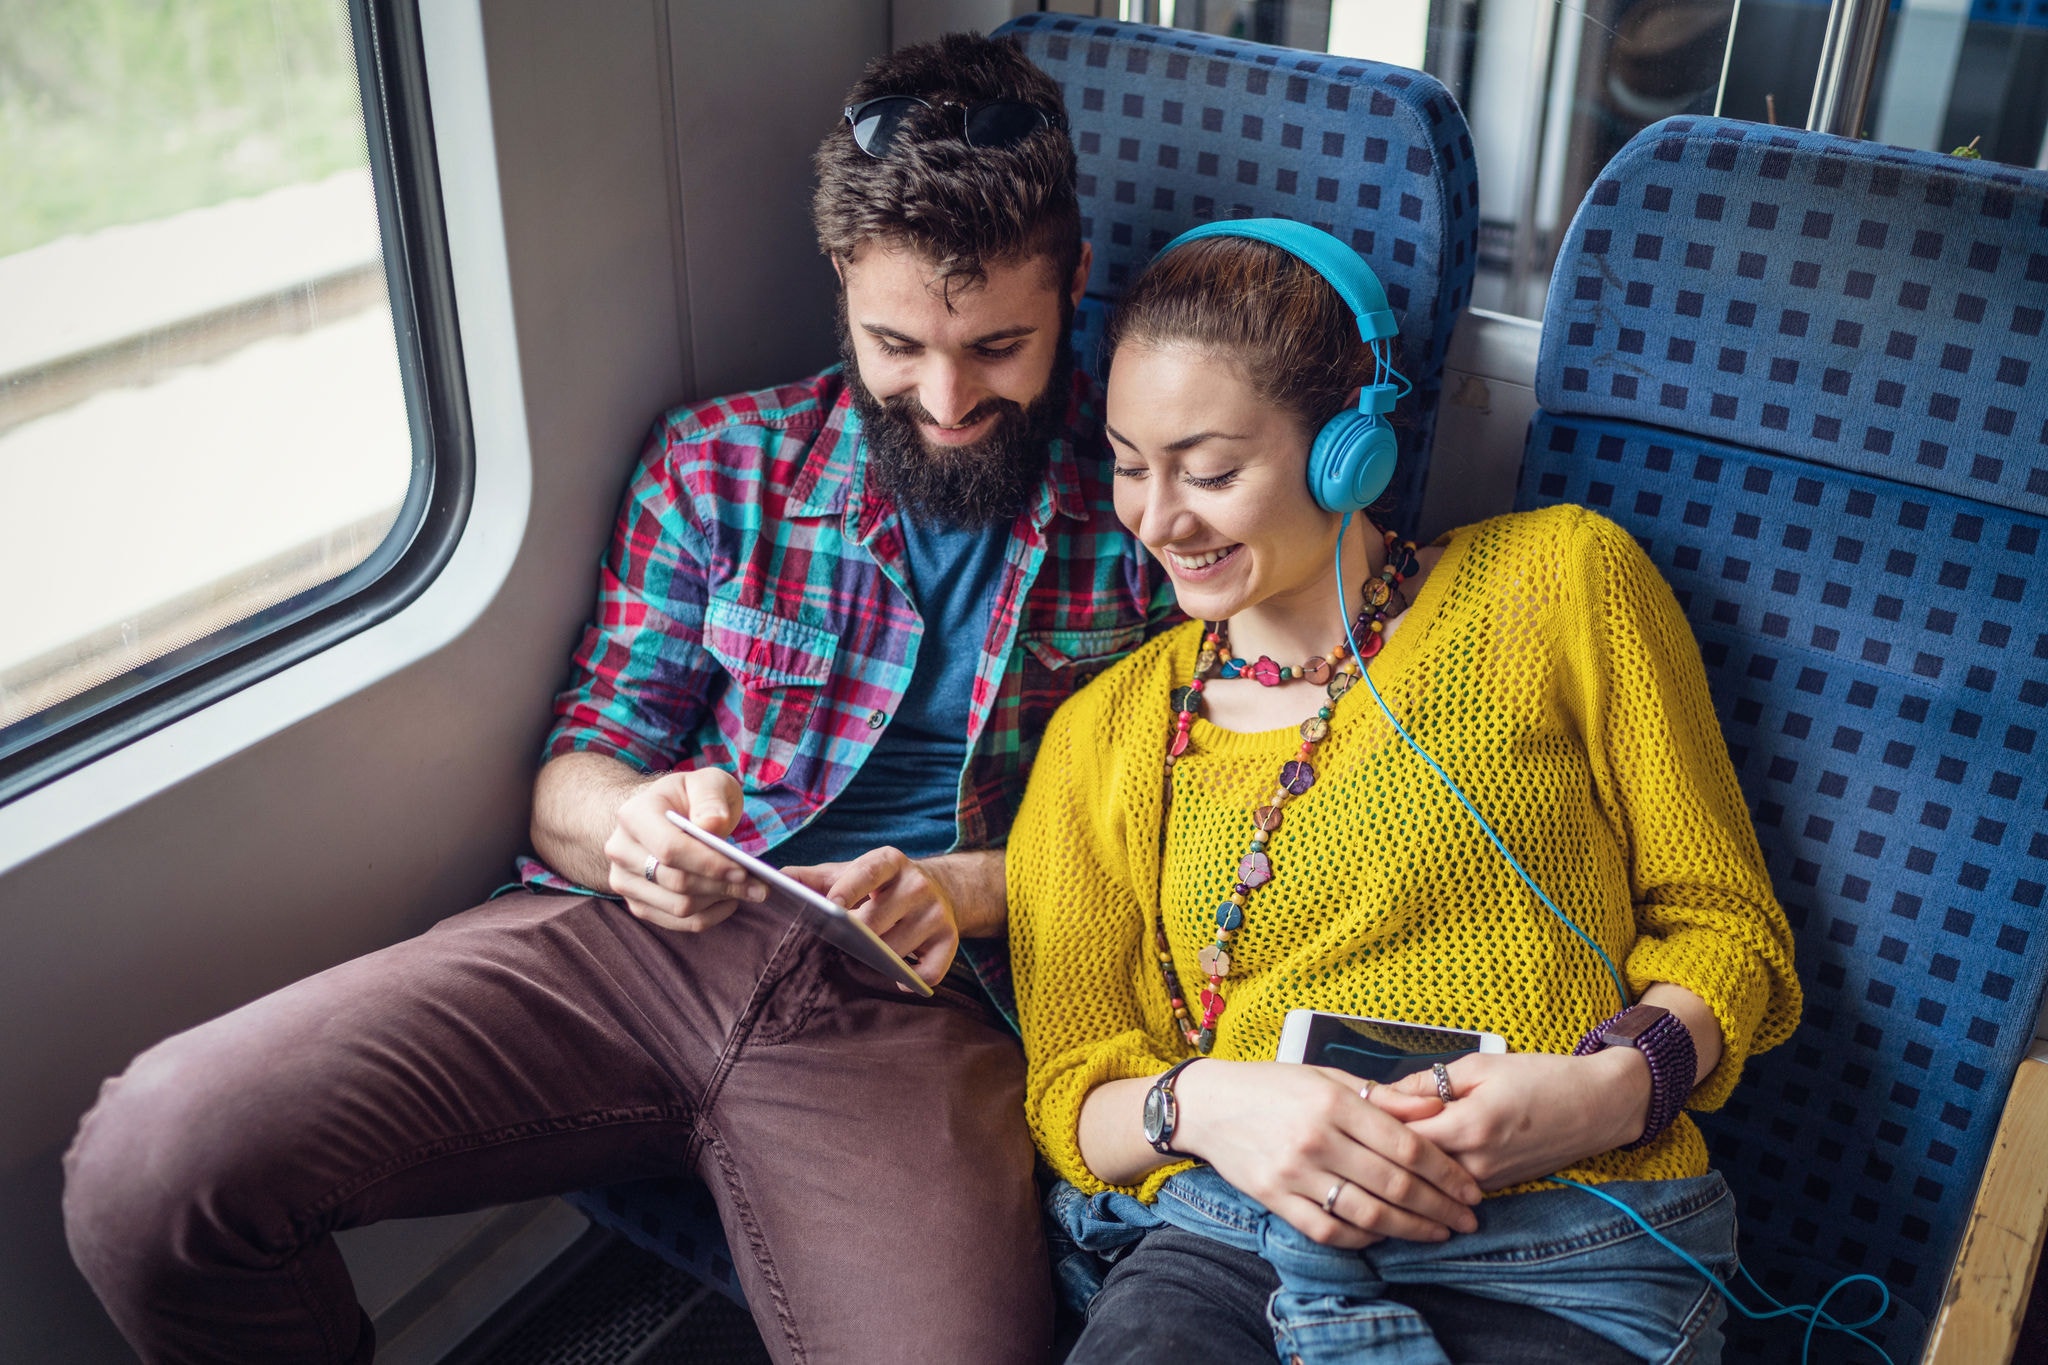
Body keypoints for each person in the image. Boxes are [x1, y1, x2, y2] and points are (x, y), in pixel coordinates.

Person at [62, 33, 1173, 1365]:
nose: (943, 400)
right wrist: (633, 826)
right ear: (840, 280)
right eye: (896, 344)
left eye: (997, 346)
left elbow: (1188, 835)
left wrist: (964, 890)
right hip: (632, 947)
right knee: (153, 1166)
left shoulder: (1157, 519)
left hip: (924, 1007)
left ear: (1074, 283)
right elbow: (579, 768)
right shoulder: (717, 465)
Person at [1006, 223, 1802, 1365]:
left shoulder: (1562, 581)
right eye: (1132, 465)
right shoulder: (1103, 736)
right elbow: (1071, 1091)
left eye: (1212, 472)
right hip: (1238, 1243)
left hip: (1568, 1242)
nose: (1158, 519)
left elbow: (1727, 929)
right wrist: (1205, 1106)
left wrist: (1607, 1092)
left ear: (1350, 450)